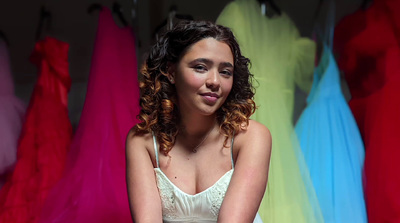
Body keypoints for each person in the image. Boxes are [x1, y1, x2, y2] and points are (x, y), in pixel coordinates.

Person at [125, 20, 272, 223]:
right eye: (201, 67)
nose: (214, 81)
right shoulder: (142, 141)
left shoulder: (251, 137)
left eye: (225, 72)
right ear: (171, 72)